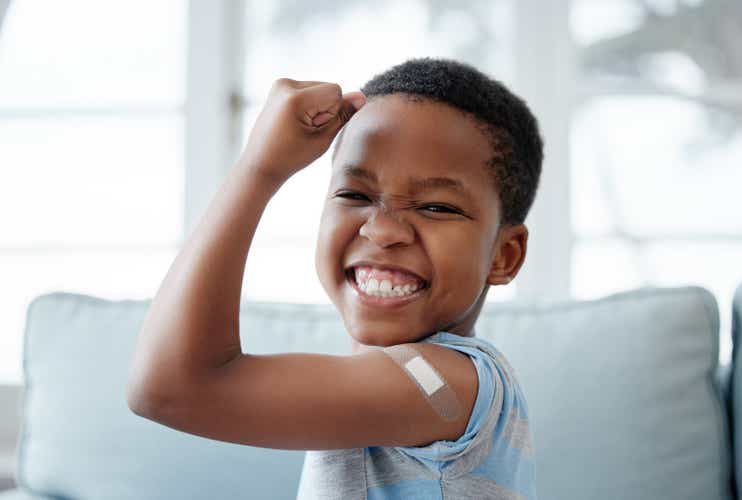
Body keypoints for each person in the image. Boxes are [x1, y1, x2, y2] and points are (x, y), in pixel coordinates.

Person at [127, 57, 544, 500]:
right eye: (354, 194)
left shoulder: (443, 383)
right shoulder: (406, 386)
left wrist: (259, 168)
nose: (381, 230)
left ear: (504, 254)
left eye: (436, 207)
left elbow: (171, 387)